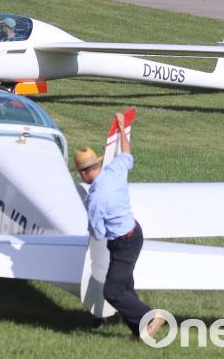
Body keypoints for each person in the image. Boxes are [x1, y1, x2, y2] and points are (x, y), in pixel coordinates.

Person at [74, 112, 165, 340]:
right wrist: (123, 128)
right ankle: (140, 331)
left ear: (84, 173)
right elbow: (126, 153)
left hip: (122, 242)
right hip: (135, 233)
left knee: (112, 291)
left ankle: (151, 317)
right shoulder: (115, 171)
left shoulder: (94, 198)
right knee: (125, 285)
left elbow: (97, 231)